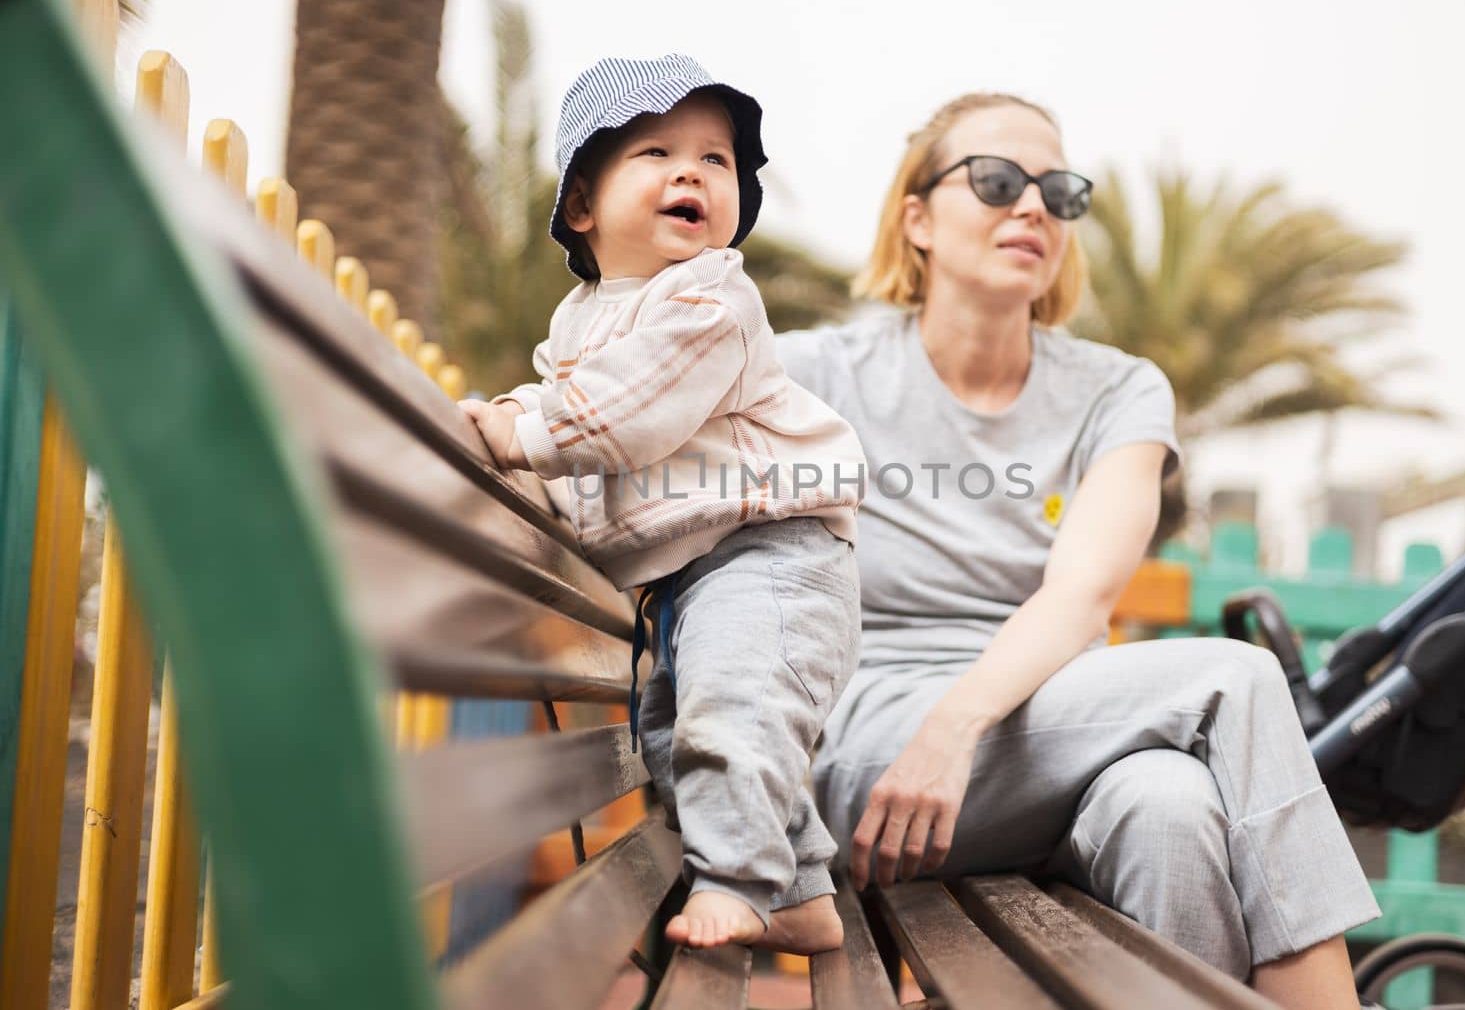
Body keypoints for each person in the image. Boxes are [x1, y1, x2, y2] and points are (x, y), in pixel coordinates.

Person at [774, 91, 1379, 1008]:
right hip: (876, 759)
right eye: (996, 180)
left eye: (1058, 190)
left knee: (1172, 807)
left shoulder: (1120, 391)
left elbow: (1079, 598)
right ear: (916, 217)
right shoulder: (818, 374)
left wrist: (957, 724)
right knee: (1241, 680)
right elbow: (640, 405)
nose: (1033, 206)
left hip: (1029, 743)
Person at [460, 55, 866, 953]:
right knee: (674, 733)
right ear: (581, 205)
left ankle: (737, 881)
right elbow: (565, 394)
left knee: (733, 707)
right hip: (692, 580)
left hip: (773, 555)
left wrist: (524, 433)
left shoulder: (710, 296)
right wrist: (513, 413)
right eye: (655, 150)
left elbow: (632, 410)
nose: (692, 172)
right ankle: (796, 891)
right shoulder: (580, 320)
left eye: (716, 160)